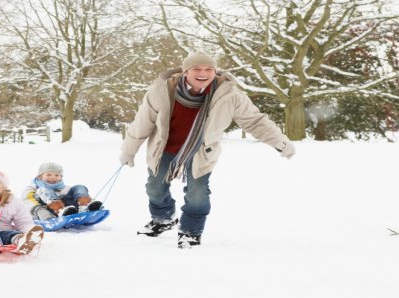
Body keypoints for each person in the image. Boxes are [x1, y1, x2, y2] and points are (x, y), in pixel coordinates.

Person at [119, 51, 295, 249]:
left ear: (215, 71)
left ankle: (190, 231)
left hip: (201, 152)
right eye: (197, 69)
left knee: (197, 193)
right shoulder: (162, 90)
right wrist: (128, 151)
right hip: (164, 149)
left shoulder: (228, 94)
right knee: (154, 188)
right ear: (186, 71)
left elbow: (255, 120)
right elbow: (143, 122)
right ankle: (163, 219)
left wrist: (279, 141)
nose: (203, 73)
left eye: (209, 69)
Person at [22, 162, 103, 220]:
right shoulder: (32, 188)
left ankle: (85, 206)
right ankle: (59, 209)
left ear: (61, 177)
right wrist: (40, 210)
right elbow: (27, 200)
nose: (53, 177)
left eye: (56, 175)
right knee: (44, 190)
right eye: (48, 175)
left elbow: (71, 196)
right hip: (46, 211)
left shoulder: (64, 188)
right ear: (40, 176)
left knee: (79, 187)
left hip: (69, 210)